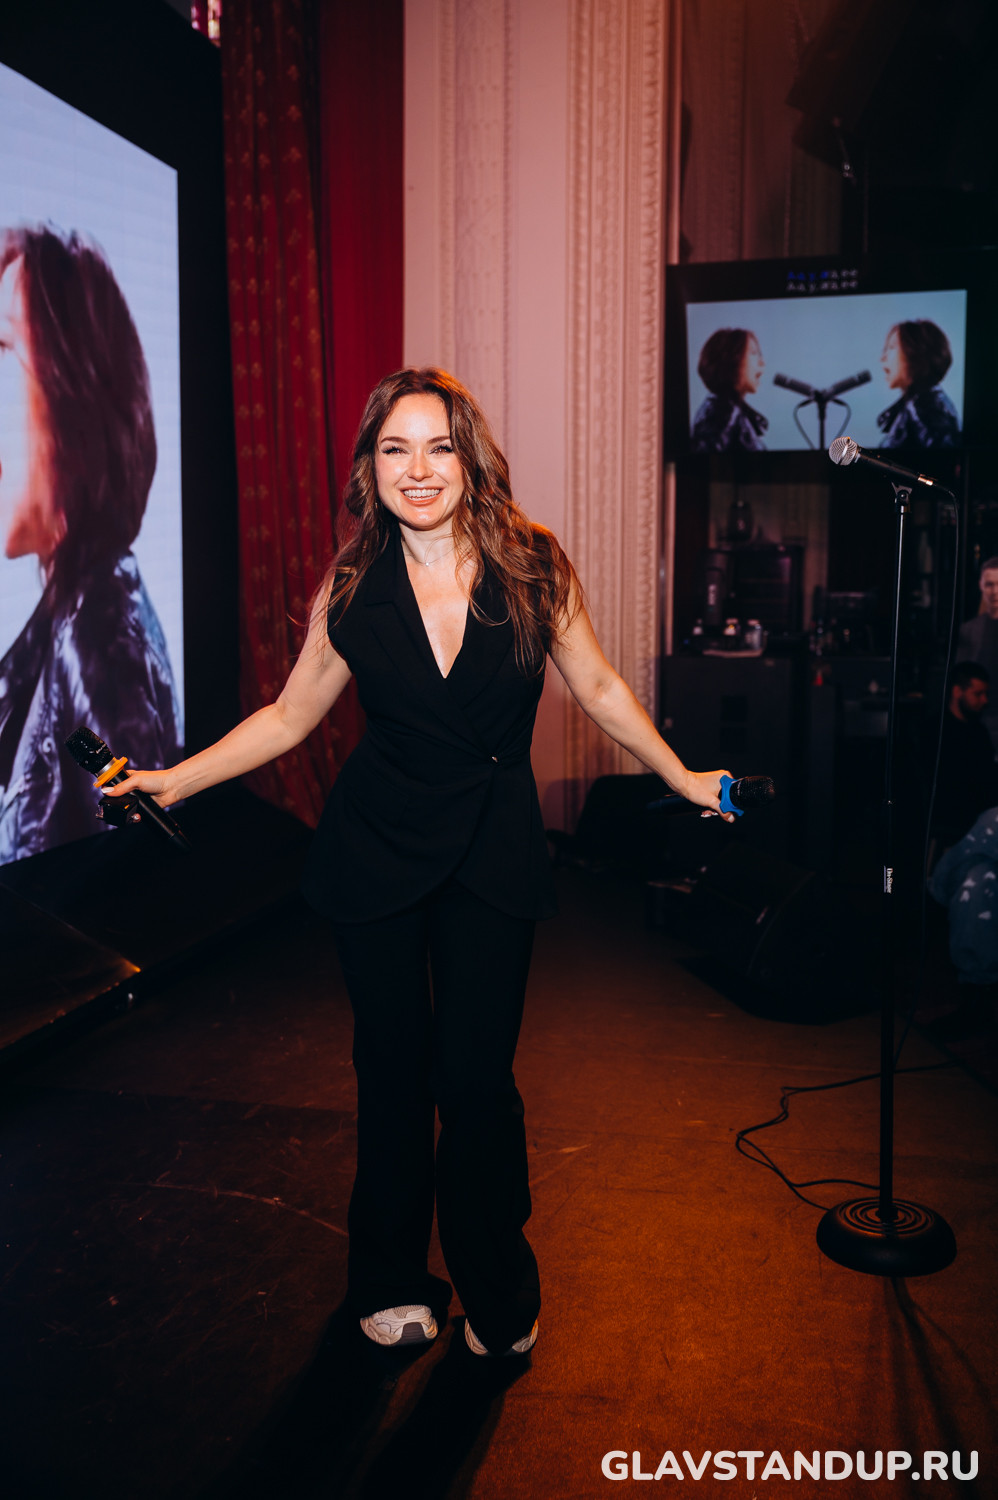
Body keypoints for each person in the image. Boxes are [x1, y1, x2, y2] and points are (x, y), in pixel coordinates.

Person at [106, 367, 731, 1358]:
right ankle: (391, 1278)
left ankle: (496, 1289)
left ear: (469, 457)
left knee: (477, 1082)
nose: (419, 468)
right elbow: (289, 715)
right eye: (395, 449)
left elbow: (600, 688)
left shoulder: (534, 565)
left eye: (438, 446)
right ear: (371, 468)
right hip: (375, 851)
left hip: (492, 851)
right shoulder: (353, 583)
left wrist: (682, 774)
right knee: (390, 1073)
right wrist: (173, 781)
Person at [0, 225, 181, 865]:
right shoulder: (76, 616)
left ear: (74, 395)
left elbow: (136, 870)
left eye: (3, 348)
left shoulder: (98, 643)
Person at [929, 662, 998, 848]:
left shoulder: (977, 729)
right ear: (957, 691)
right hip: (954, 811)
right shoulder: (937, 730)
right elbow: (953, 782)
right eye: (978, 694)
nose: (984, 700)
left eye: (985, 694)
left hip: (979, 804)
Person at [877, 319, 960, 449]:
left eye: (892, 347)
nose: (882, 358)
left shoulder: (925, 408)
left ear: (915, 352)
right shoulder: (919, 404)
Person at [690, 328, 767, 454]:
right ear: (732, 359)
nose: (762, 363)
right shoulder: (721, 413)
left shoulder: (728, 410)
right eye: (753, 353)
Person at [956, 557, 998, 753]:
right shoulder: (970, 630)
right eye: (989, 584)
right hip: (977, 719)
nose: (995, 591)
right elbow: (960, 678)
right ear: (981, 586)